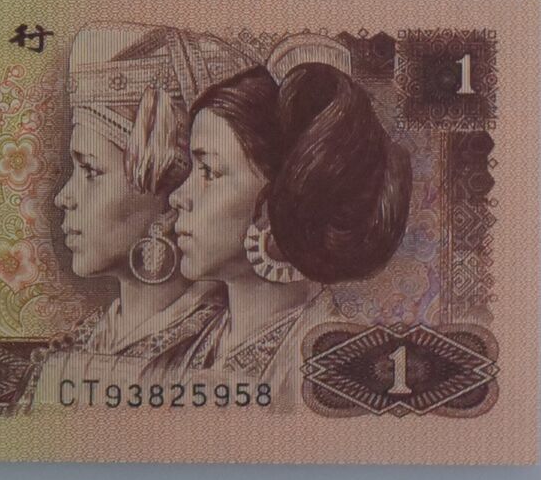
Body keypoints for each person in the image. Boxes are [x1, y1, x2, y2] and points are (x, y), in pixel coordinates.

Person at [153, 32, 412, 411]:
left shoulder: (337, 373)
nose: (178, 197)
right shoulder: (177, 351)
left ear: (284, 196)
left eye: (209, 171)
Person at [31, 24, 254, 402]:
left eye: (90, 171)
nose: (64, 198)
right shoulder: (78, 347)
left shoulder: (226, 356)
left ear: (171, 192)